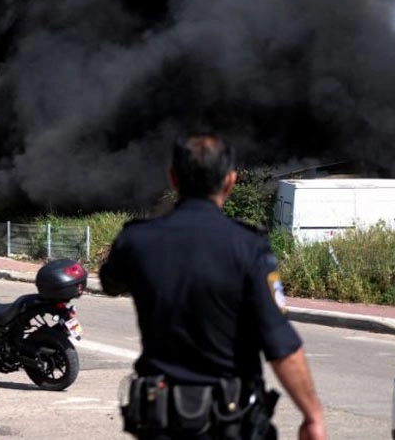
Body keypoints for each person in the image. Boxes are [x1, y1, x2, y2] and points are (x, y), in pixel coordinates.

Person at [100, 133, 325, 440]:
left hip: (161, 423)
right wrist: (312, 415)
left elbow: (110, 282)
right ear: (230, 181)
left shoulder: (136, 240)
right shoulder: (248, 246)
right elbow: (280, 344)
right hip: (229, 423)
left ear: (173, 178)